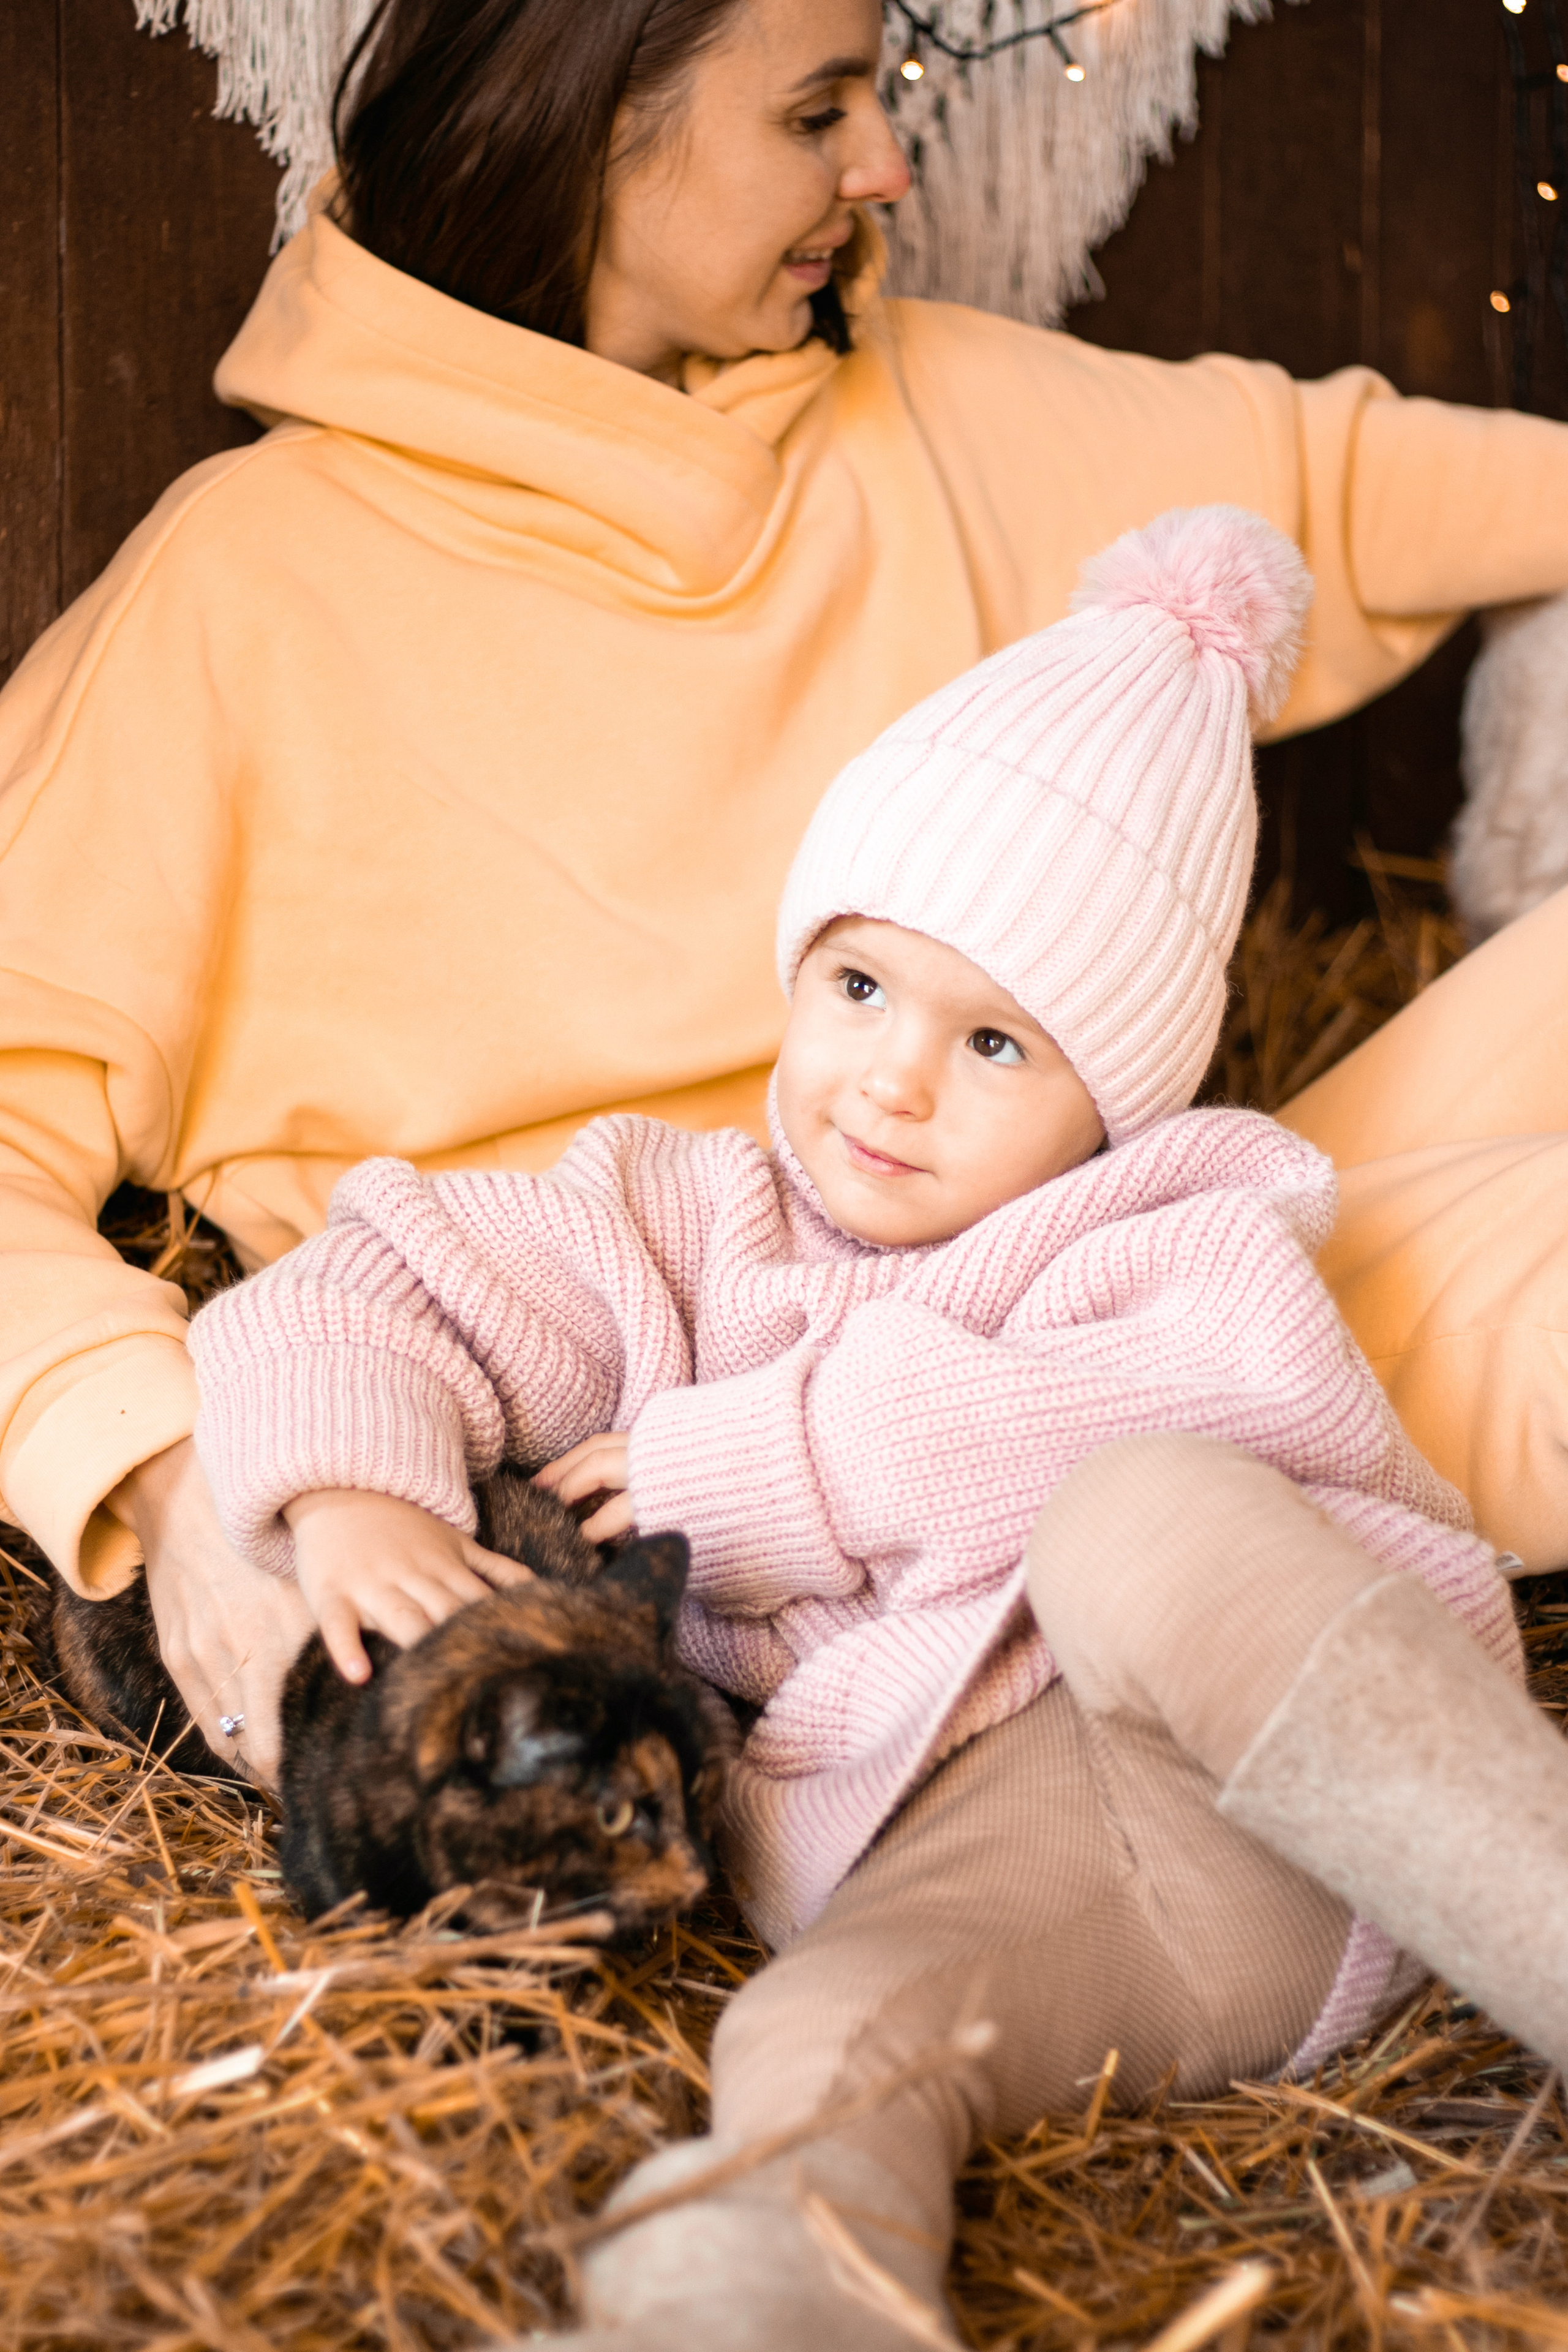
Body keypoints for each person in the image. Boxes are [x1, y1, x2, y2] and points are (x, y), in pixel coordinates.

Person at [4, 0, 1568, 1779]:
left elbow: (1342, 491)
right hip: (651, 1446)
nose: (887, 166)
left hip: (1074, 1312)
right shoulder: (245, 587)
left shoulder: (921, 410)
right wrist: (173, 1477)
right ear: (593, 124)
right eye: (819, 112)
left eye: (880, 101)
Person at [186, 507, 1568, 2350]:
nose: (894, 1082)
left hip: (1303, 1796)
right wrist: (354, 1494)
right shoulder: (670, 1221)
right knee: (813, 2031)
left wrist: (773, 1472)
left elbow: (1200, 1420)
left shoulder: (1183, 1224)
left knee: (1140, 1516)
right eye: (859, 988)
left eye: (997, 1046)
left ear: (1116, 1097)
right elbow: (357, 1287)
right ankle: (763, 2294)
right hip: (1048, 1905)